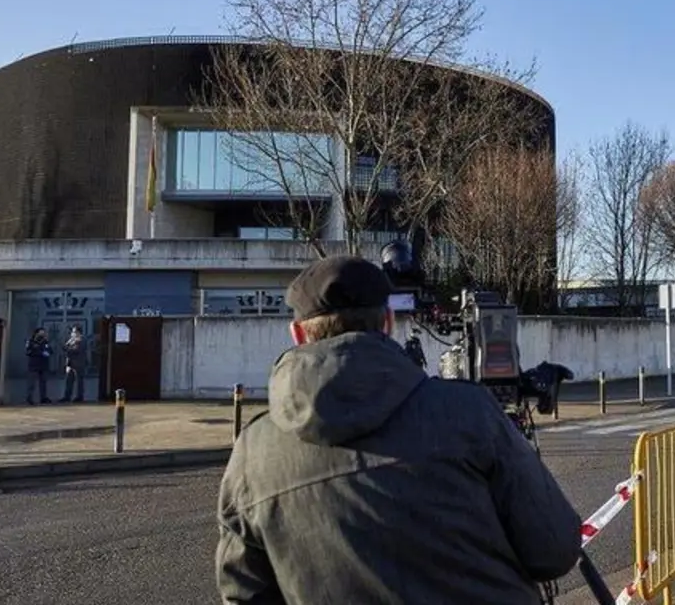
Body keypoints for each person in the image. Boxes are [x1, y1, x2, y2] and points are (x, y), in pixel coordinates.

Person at [215, 256, 583, 604]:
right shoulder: (469, 412)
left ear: (297, 333)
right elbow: (555, 550)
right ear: (388, 321)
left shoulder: (252, 451)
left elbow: (243, 591)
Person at [24, 328, 52, 405]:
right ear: (36, 333)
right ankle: (29, 398)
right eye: (41, 333)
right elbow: (28, 352)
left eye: (44, 333)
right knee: (31, 383)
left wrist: (47, 352)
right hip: (34, 365)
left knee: (43, 383)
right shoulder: (30, 341)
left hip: (43, 365)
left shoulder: (45, 342)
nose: (43, 335)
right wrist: (40, 352)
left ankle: (43, 398)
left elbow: (50, 351)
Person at [61, 325, 87, 403]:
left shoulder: (81, 340)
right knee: (69, 380)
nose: (72, 333)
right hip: (70, 363)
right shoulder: (72, 340)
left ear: (78, 332)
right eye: (72, 332)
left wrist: (66, 348)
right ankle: (67, 396)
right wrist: (66, 346)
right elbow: (65, 347)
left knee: (79, 381)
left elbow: (76, 350)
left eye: (74, 332)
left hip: (78, 363)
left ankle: (79, 396)